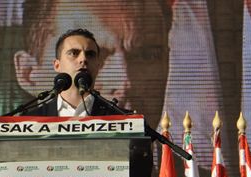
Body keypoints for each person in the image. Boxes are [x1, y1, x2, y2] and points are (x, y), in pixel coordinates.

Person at [14, 0, 172, 125]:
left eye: (147, 55)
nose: (125, 82)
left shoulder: (189, 164)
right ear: (29, 73)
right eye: (93, 55)